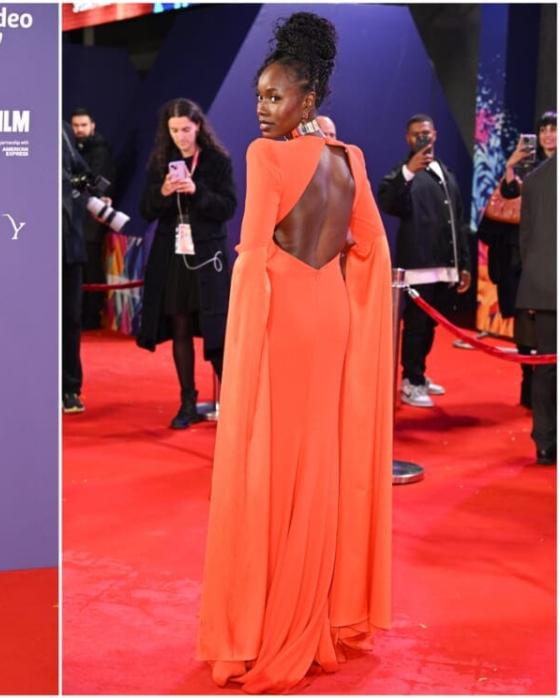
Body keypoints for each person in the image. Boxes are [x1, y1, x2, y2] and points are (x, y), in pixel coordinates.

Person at [197, 13, 393, 692]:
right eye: (258, 96)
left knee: (272, 465)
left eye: (275, 97)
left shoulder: (265, 157)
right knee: (317, 460)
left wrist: (239, 347)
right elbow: (370, 247)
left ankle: (275, 623)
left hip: (282, 318)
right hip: (331, 315)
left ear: (307, 100)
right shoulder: (351, 159)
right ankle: (313, 616)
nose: (261, 108)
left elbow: (251, 252)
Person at [138, 98, 237, 429]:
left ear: (199, 127)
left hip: (209, 256)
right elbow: (146, 210)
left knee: (218, 331)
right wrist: (164, 191)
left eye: (186, 129)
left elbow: (227, 207)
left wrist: (197, 190)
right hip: (174, 256)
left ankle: (238, 406)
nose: (180, 136)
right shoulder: (161, 162)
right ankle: (187, 401)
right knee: (179, 325)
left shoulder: (216, 161)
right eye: (174, 130)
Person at [378, 113, 472, 408]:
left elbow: (457, 222)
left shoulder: (446, 173)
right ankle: (411, 381)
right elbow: (388, 201)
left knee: (430, 327)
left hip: (445, 267)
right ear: (408, 139)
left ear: (435, 135)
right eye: (417, 134)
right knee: (416, 327)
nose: (423, 138)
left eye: (427, 133)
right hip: (418, 269)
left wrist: (464, 265)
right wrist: (407, 171)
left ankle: (418, 375)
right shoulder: (403, 175)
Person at [477, 113, 556, 406]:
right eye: (544, 130)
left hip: (550, 263)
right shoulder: (526, 170)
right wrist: (510, 166)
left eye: (554, 130)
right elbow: (506, 199)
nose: (549, 135)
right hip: (521, 264)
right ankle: (529, 385)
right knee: (526, 333)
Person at [502, 110, 557, 464]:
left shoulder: (535, 181)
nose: (549, 135)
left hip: (543, 287)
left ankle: (545, 440)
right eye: (545, 130)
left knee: (546, 368)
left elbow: (526, 240)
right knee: (547, 368)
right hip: (546, 286)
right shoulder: (533, 180)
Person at [71, 107, 117, 330]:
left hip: (92, 218)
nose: (79, 130)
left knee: (90, 267)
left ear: (92, 126)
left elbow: (99, 183)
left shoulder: (101, 151)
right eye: (75, 125)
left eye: (83, 125)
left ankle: (90, 317)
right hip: (74, 218)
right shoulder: (70, 149)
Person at [62, 122, 91, 413]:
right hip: (33, 248)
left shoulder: (63, 131)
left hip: (70, 244)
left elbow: (85, 175)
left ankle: (70, 388)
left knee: (70, 319)